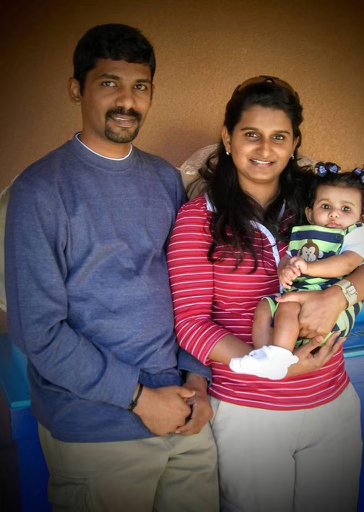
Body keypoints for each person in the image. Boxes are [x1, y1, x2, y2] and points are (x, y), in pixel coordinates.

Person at [5, 24, 218, 512]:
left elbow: (190, 289)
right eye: (109, 83)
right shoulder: (41, 191)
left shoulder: (165, 179)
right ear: (76, 88)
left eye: (139, 87)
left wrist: (198, 382)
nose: (127, 100)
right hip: (98, 430)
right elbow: (37, 331)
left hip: (187, 415)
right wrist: (141, 398)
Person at [167, 75, 364, 512]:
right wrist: (264, 366)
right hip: (249, 414)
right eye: (251, 135)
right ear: (228, 138)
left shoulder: (318, 205)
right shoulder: (197, 220)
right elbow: (190, 324)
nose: (265, 149)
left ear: (294, 144)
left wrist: (340, 296)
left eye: (279, 137)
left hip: (332, 403)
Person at [232, 163, 364, 379]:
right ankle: (264, 357)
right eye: (326, 206)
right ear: (310, 213)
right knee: (264, 307)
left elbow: (346, 263)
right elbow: (289, 257)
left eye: (346, 209)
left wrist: (308, 267)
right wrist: (284, 270)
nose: (335, 215)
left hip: (330, 307)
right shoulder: (303, 233)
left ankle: (279, 355)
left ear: (362, 218)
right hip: (298, 298)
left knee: (288, 306)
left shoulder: (355, 233)